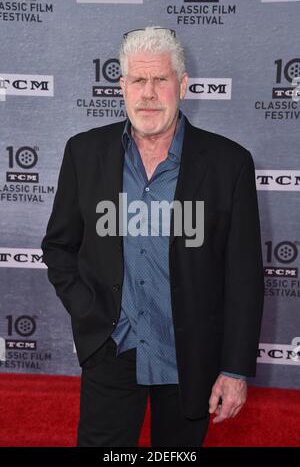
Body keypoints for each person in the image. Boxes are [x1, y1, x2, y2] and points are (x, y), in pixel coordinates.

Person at [41, 26, 264, 447]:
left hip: (190, 356)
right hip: (112, 349)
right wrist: (89, 310)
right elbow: (58, 246)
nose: (149, 93)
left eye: (160, 79)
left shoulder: (228, 164)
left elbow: (244, 277)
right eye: (138, 80)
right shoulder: (84, 153)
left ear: (181, 84)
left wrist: (234, 370)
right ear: (122, 86)